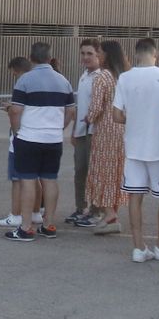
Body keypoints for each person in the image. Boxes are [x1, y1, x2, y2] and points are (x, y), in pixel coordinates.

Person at [111, 38, 159, 264]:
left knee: (135, 195)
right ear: (156, 54)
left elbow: (116, 115)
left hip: (134, 146)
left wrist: (134, 119)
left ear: (136, 55)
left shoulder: (124, 78)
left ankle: (138, 246)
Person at [3, 43, 74, 242]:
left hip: (30, 137)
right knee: (50, 179)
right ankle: (49, 224)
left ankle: (26, 227)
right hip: (53, 138)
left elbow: (16, 110)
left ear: (31, 58)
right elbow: (70, 110)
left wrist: (17, 132)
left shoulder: (25, 79)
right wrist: (60, 127)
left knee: (28, 180)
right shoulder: (63, 81)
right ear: (50, 58)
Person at [76, 40, 127, 233]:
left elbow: (96, 107)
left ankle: (108, 212)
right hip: (121, 130)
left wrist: (88, 119)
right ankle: (112, 212)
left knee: (100, 172)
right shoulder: (122, 76)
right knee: (116, 173)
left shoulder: (102, 77)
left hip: (104, 131)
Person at [0, 57, 41, 230]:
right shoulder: (39, 83)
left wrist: (9, 110)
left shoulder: (22, 84)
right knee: (35, 177)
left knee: (17, 178)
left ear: (17, 70)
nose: (13, 75)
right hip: (38, 135)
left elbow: (16, 112)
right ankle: (36, 212)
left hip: (22, 136)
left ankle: (15, 214)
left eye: (13, 72)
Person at [67, 38, 100, 224]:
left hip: (94, 131)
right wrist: (73, 131)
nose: (86, 57)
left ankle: (96, 211)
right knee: (79, 170)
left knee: (94, 172)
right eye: (83, 53)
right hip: (81, 130)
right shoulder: (83, 76)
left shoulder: (101, 77)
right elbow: (80, 105)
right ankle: (81, 207)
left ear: (98, 55)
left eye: (90, 54)